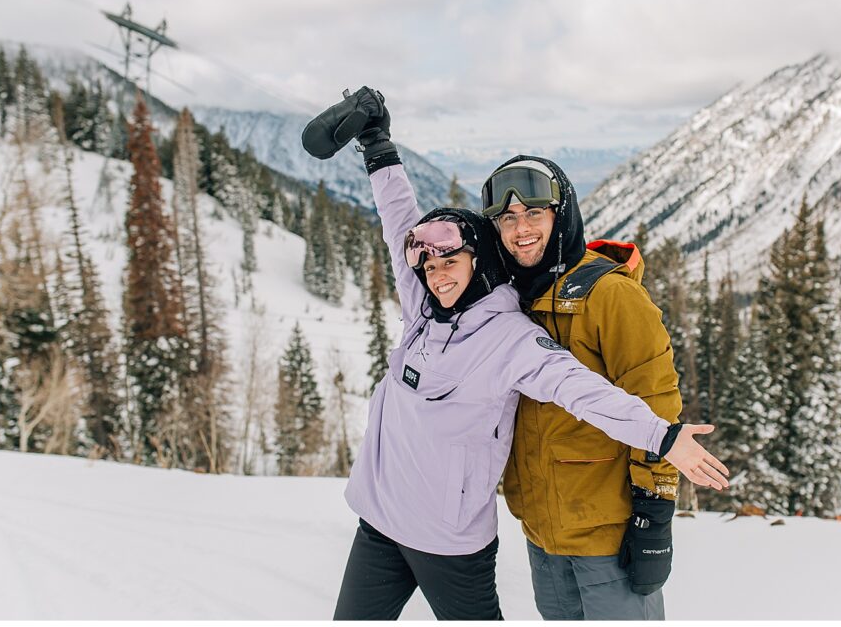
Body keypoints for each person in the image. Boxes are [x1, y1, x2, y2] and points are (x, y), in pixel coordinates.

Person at [302, 87, 729, 621]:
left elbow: (583, 389)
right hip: (411, 523)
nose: (437, 274)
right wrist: (377, 146)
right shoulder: (426, 305)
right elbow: (397, 223)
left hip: (480, 537)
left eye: (450, 260)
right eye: (428, 265)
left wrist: (662, 445)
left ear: (478, 257)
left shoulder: (515, 333)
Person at [481, 154, 691, 620]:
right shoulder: (513, 297)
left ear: (562, 214)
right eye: (508, 219)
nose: (521, 229)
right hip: (543, 533)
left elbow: (657, 408)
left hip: (607, 537)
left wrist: (653, 517)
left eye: (534, 213)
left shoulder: (611, 296)